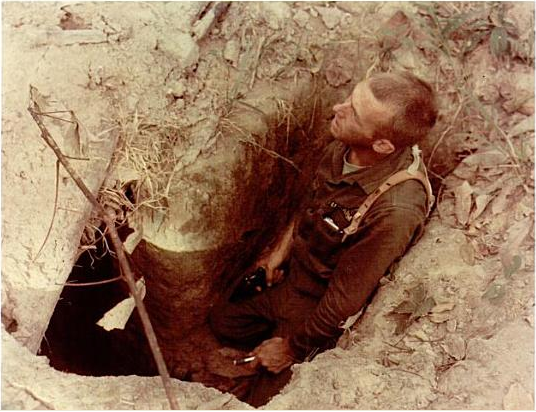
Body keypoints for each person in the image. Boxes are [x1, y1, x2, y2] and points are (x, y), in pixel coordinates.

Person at [209, 71, 438, 406]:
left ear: (383, 145)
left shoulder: (395, 210)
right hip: (294, 276)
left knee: (264, 402)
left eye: (354, 113)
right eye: (350, 98)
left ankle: (265, 366)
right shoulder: (345, 147)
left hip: (319, 305)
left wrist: (290, 348)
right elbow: (310, 204)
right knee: (221, 322)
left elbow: (344, 302)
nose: (337, 107)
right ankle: (260, 350)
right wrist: (279, 252)